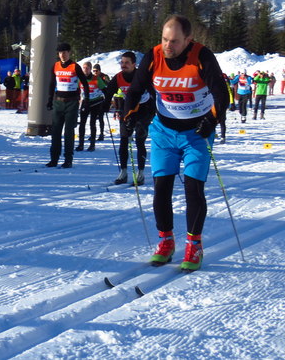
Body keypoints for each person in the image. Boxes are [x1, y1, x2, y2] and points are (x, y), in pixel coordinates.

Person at [122, 15, 229, 271]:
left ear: (188, 40)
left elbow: (221, 95)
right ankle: (166, 241)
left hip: (196, 134)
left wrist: (211, 121)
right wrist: (129, 116)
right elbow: (135, 90)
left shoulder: (202, 56)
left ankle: (194, 245)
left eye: (174, 41)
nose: (168, 46)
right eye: (164, 39)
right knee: (161, 188)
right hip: (164, 132)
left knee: (193, 188)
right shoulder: (154, 56)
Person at [104, 52, 154, 185]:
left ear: (134, 64)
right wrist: (105, 105)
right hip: (127, 110)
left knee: (139, 140)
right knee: (124, 139)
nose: (123, 65)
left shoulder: (141, 76)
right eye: (122, 62)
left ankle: (140, 173)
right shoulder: (118, 77)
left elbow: (154, 92)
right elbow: (109, 92)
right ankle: (123, 172)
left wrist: (155, 110)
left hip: (143, 109)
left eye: (127, 63)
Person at [45, 42, 90, 168]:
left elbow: (85, 83)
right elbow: (52, 83)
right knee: (55, 131)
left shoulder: (75, 66)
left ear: (69, 53)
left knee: (69, 132)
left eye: (64, 52)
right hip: (58, 102)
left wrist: (86, 99)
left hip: (72, 103)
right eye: (60, 53)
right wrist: (50, 99)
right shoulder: (55, 66)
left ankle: (68, 159)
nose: (62, 55)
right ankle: (54, 159)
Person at [76, 61, 106, 152]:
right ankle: (80, 145)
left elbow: (105, 90)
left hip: (96, 102)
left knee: (92, 123)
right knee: (82, 123)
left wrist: (106, 102)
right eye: (84, 68)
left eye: (87, 68)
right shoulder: (80, 79)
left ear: (90, 69)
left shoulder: (96, 79)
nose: (85, 70)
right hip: (85, 102)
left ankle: (92, 145)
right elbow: (77, 90)